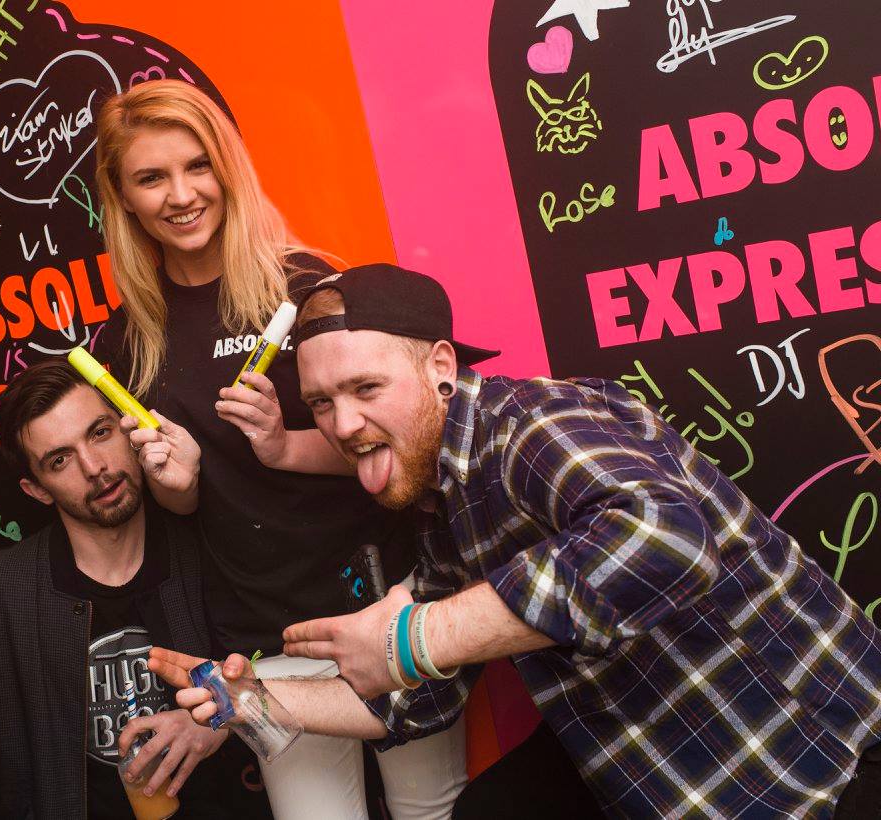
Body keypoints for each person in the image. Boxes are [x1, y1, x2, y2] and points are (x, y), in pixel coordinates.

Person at [153, 263, 881, 818]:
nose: (341, 425)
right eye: (320, 402)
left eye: (366, 389)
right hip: (656, 762)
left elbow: (666, 538)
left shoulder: (532, 424)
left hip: (818, 768)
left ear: (441, 368)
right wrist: (255, 700)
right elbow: (414, 695)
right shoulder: (443, 504)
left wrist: (418, 635)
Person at [92, 80, 467, 818]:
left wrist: (282, 441)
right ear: (122, 196)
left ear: (227, 168)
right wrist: (177, 484)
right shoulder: (127, 341)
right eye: (151, 177)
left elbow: (405, 449)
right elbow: (187, 507)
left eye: (197, 166)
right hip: (265, 635)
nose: (181, 195)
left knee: (430, 809)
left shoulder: (309, 290)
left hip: (385, 603)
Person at [0, 359, 269, 818]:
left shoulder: (205, 550)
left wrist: (219, 720)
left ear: (129, 429)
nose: (94, 467)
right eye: (59, 460)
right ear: (37, 489)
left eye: (100, 433)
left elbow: (281, 677)